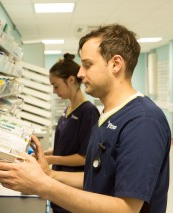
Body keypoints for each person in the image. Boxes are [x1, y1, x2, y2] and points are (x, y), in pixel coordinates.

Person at [0, 24, 171, 213]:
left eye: (88, 65)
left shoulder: (143, 122)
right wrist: (49, 174)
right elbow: (95, 178)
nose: (80, 73)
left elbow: (126, 209)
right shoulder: (107, 115)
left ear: (115, 64)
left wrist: (43, 186)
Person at [44, 53, 99, 213]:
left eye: (56, 85)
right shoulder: (68, 109)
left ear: (71, 80)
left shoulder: (88, 112)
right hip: (59, 182)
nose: (54, 91)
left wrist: (49, 160)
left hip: (74, 186)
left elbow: (84, 157)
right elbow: (64, 148)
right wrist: (42, 155)